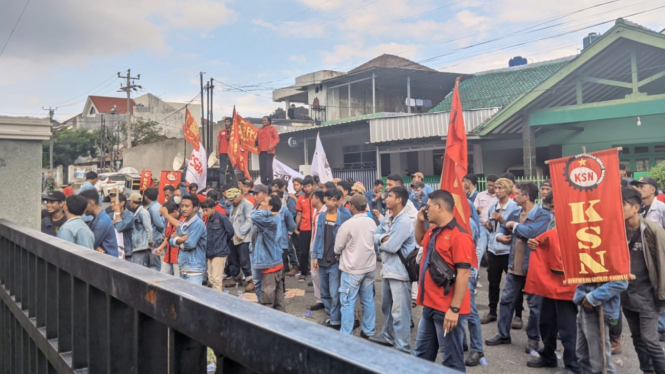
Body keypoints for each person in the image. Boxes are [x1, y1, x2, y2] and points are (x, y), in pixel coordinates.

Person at [413, 190, 476, 372]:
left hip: (447, 309)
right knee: (421, 355)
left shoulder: (460, 235)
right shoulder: (434, 230)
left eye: (428, 206)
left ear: (439, 207)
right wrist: (420, 220)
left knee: (451, 361)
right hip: (430, 305)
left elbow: (464, 274)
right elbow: (419, 240)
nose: (426, 209)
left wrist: (454, 309)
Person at [485, 182, 550, 353]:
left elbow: (531, 232)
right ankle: (503, 333)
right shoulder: (515, 213)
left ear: (526, 196)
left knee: (535, 306)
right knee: (506, 300)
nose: (515, 196)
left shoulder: (543, 215)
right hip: (514, 266)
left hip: (534, 268)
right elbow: (502, 231)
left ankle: (534, 339)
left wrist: (513, 226)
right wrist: (499, 237)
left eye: (518, 194)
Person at [523, 192, 580, 373]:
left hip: (569, 283)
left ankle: (572, 364)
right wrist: (537, 242)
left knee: (567, 328)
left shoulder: (578, 222)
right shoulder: (553, 220)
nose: (553, 210)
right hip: (551, 281)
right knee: (546, 322)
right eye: (552, 207)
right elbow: (549, 237)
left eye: (556, 206)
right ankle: (548, 355)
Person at [620, 187, 665, 374]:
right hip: (627, 295)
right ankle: (647, 370)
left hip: (648, 295)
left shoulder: (653, 231)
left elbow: (662, 263)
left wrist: (662, 294)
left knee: (650, 340)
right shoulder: (617, 231)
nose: (619, 208)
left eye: (622, 205)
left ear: (636, 207)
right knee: (637, 338)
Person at [369, 186, 415, 352]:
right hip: (388, 270)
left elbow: (393, 246)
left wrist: (381, 241)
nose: (386, 198)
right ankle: (387, 337)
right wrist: (383, 238)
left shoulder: (404, 221)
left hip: (400, 273)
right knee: (386, 307)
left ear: (399, 200)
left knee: (400, 313)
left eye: (390, 196)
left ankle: (403, 348)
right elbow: (374, 235)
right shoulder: (389, 217)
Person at [335, 194, 377, 336]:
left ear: (352, 206)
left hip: (352, 269)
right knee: (368, 300)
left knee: (347, 303)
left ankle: (346, 334)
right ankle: (369, 331)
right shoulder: (371, 222)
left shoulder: (348, 225)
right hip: (369, 267)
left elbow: (337, 247)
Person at [480, 177, 520, 325]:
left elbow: (517, 228)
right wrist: (489, 226)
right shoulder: (493, 207)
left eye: (500, 188)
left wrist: (503, 220)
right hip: (493, 250)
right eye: (495, 188)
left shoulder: (515, 207)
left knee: (514, 283)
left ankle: (518, 314)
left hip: (508, 251)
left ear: (508, 190)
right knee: (493, 283)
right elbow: (493, 230)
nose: (496, 191)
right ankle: (492, 312)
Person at [311, 189, 352, 330]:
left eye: (334, 199)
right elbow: (317, 237)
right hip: (322, 258)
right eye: (328, 199)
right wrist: (315, 256)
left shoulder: (344, 217)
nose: (331, 202)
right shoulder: (321, 216)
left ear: (339, 200)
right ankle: (331, 316)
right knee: (324, 292)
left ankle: (335, 321)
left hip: (335, 260)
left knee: (335, 293)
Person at [574, 273, 628, 372]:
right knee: (583, 356)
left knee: (600, 362)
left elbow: (621, 282)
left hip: (598, 308)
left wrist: (593, 297)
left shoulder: (615, 258)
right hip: (583, 302)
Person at [251, 195, 286, 311]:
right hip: (275, 261)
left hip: (269, 264)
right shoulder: (276, 218)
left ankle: (266, 325)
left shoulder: (270, 220)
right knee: (278, 299)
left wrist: (268, 213)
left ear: (270, 207)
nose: (261, 202)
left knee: (267, 300)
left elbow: (254, 215)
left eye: (265, 201)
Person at [169, 195, 207, 285]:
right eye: (182, 206)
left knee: (192, 297)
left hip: (194, 269)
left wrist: (177, 239)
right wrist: (181, 239)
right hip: (183, 267)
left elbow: (190, 244)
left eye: (187, 206)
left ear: (195, 208)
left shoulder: (198, 224)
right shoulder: (182, 223)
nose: (183, 209)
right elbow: (170, 241)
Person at [201, 199, 234, 292]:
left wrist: (222, 242)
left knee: (216, 280)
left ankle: (217, 303)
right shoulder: (207, 220)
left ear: (213, 208)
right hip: (210, 252)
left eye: (206, 210)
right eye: (203, 210)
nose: (205, 212)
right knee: (211, 279)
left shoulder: (222, 218)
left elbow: (230, 232)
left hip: (220, 252)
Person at [226, 188, 254, 288]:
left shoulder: (247, 205)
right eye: (230, 200)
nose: (231, 201)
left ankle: (251, 280)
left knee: (244, 260)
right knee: (232, 259)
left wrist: (240, 233)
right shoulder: (233, 205)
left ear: (239, 196)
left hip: (243, 238)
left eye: (233, 199)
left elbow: (250, 221)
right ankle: (236, 279)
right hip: (233, 237)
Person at [473, 174, 498, 264]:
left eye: (493, 185)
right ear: (486, 184)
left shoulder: (499, 197)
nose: (491, 187)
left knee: (495, 251)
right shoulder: (480, 195)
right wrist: (477, 211)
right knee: (479, 251)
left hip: (494, 227)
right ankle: (473, 275)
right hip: (482, 225)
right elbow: (474, 208)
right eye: (489, 185)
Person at [294, 178, 315, 282]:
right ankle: (303, 273)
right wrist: (296, 227)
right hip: (305, 228)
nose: (307, 189)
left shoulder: (317, 198)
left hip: (316, 228)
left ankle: (315, 273)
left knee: (315, 251)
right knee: (304, 252)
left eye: (308, 186)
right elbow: (299, 214)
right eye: (305, 187)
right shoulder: (301, 198)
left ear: (313, 186)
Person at [308, 190, 326, 311]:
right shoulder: (316, 212)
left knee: (321, 274)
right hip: (314, 245)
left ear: (318, 199)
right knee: (315, 274)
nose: (311, 200)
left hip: (321, 247)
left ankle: (325, 299)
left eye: (313, 198)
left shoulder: (325, 212)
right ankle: (319, 299)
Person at [156, 202, 183, 276]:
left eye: (167, 215)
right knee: (162, 277)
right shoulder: (169, 220)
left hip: (178, 256)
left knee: (178, 280)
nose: (166, 217)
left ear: (174, 212)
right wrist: (160, 248)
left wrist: (166, 215)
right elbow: (167, 237)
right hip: (168, 255)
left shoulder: (183, 219)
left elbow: (179, 224)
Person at [127, 192, 153, 267]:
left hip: (141, 247)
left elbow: (149, 229)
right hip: (137, 247)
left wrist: (150, 243)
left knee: (139, 270)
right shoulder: (136, 212)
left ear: (132, 201)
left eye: (129, 201)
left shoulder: (142, 213)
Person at [144, 188, 165, 272]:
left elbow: (160, 224)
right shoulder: (158, 206)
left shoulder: (153, 209)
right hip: (156, 237)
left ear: (146, 197)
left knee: (154, 262)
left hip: (155, 238)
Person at [111, 193, 134, 261]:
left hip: (126, 251)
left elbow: (119, 228)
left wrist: (117, 213)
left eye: (114, 202)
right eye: (111, 202)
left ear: (122, 203)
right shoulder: (110, 215)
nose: (112, 204)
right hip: (113, 250)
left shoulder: (129, 216)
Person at [257, 116, 280, 184]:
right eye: (263, 120)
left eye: (265, 120)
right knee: (262, 168)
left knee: (268, 167)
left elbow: (277, 138)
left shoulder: (272, 129)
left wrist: (272, 146)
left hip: (269, 151)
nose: (263, 121)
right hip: (261, 151)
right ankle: (263, 182)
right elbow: (256, 139)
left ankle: (270, 182)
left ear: (269, 122)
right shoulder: (260, 129)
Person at [217, 117, 236, 187]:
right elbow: (218, 142)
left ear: (231, 123)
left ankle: (232, 184)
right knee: (222, 169)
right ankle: (222, 184)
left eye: (228, 122)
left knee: (231, 169)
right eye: (225, 122)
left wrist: (231, 136)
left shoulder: (234, 132)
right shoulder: (221, 132)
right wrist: (217, 151)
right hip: (223, 152)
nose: (226, 123)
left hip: (231, 153)